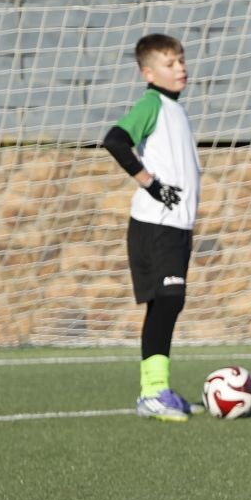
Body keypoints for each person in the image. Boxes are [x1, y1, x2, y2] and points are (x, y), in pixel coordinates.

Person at [102, 34, 201, 421]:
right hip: (156, 225)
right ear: (148, 72)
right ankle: (152, 394)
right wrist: (151, 183)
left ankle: (155, 390)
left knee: (167, 305)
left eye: (181, 61)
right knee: (168, 302)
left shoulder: (176, 109)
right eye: (170, 63)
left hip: (175, 227)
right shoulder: (152, 103)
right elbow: (115, 140)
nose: (181, 68)